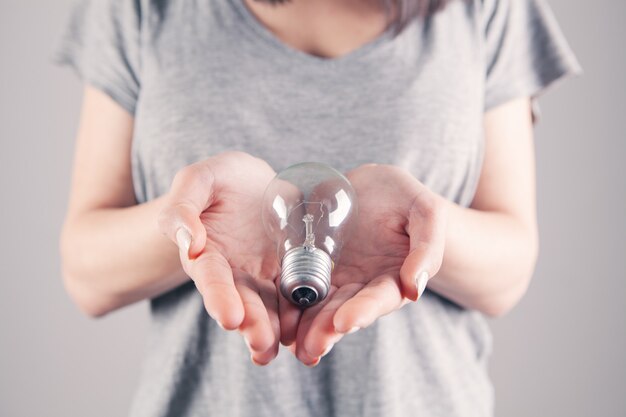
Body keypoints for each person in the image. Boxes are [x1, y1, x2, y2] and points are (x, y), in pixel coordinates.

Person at [55, 0, 580, 415]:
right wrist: (193, 225)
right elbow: (85, 272)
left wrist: (421, 229)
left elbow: (509, 270)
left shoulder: (485, 8)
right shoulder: (140, 8)